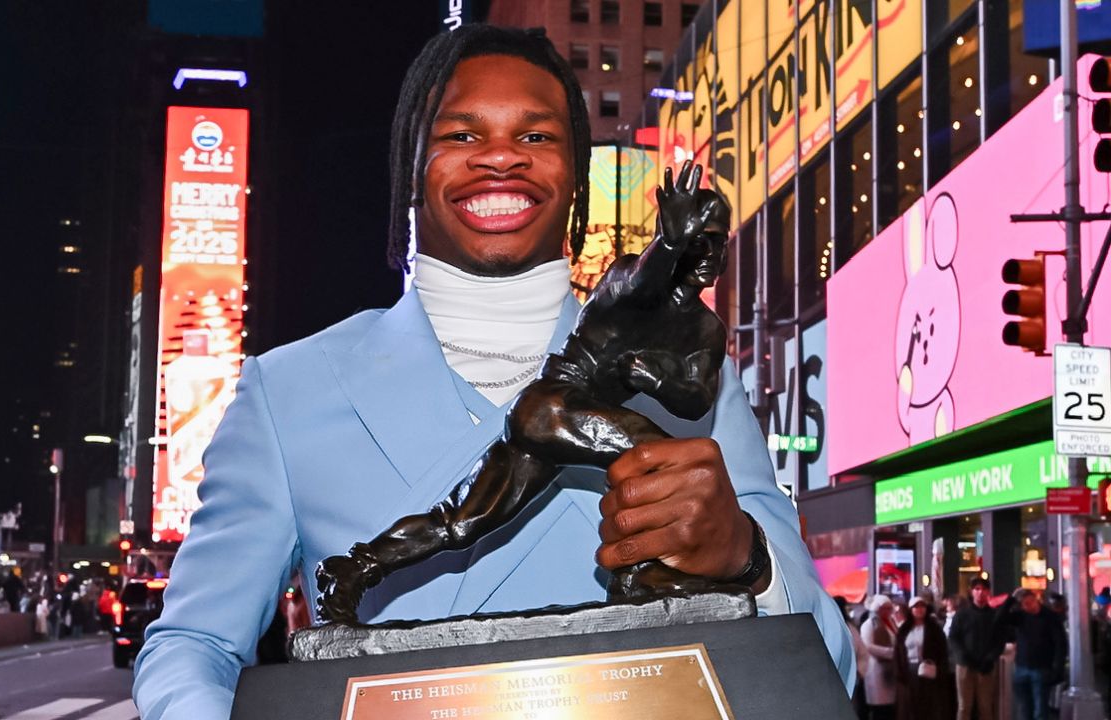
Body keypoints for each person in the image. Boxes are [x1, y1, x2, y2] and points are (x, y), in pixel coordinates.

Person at [132, 24, 855, 720]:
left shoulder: (690, 376)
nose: (500, 158)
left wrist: (747, 561)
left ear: (577, 170)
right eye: (461, 134)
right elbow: (192, 646)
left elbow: (829, 661)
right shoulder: (286, 393)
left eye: (536, 135)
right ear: (410, 165)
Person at [949, 577, 1014, 720]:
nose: (980, 593)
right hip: (965, 665)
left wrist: (990, 658)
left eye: (984, 589)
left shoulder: (994, 615)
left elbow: (1000, 640)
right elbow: (953, 638)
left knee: (985, 706)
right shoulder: (961, 615)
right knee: (964, 706)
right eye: (977, 589)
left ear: (989, 592)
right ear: (972, 592)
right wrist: (962, 656)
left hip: (986, 666)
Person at [1005, 589, 1065, 720]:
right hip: (1021, 667)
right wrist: (1011, 599)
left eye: (1031, 602)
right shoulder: (1020, 616)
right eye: (1025, 604)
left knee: (1040, 710)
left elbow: (1060, 644)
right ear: (1021, 606)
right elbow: (1001, 617)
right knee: (1023, 709)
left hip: (1042, 668)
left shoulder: (1050, 617)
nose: (1029, 606)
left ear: (1036, 599)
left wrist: (1057, 668)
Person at [894, 596, 955, 720]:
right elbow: (897, 652)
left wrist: (940, 670)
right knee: (911, 705)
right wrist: (898, 671)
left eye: (922, 606)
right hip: (909, 670)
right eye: (916, 607)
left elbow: (942, 651)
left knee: (929, 705)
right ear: (911, 610)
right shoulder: (904, 629)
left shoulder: (934, 629)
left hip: (929, 671)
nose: (919, 610)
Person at [862, 595, 898, 720]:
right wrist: (890, 652)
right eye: (884, 608)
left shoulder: (891, 623)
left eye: (889, 608)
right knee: (879, 709)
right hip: (876, 668)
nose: (887, 611)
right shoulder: (869, 624)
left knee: (889, 707)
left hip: (891, 668)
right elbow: (868, 646)